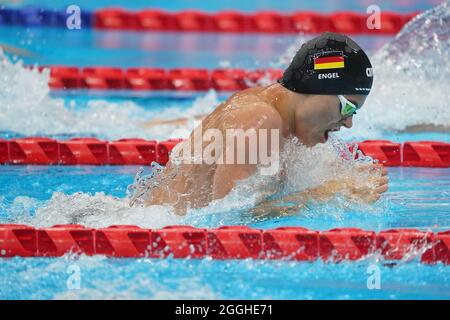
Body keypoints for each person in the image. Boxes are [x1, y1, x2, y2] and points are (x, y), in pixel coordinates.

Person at [143, 32, 388, 215]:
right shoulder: (262, 120)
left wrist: (346, 180)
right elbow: (227, 217)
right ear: (318, 89)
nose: (348, 123)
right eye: (348, 107)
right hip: (163, 237)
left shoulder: (283, 119)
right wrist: (331, 192)